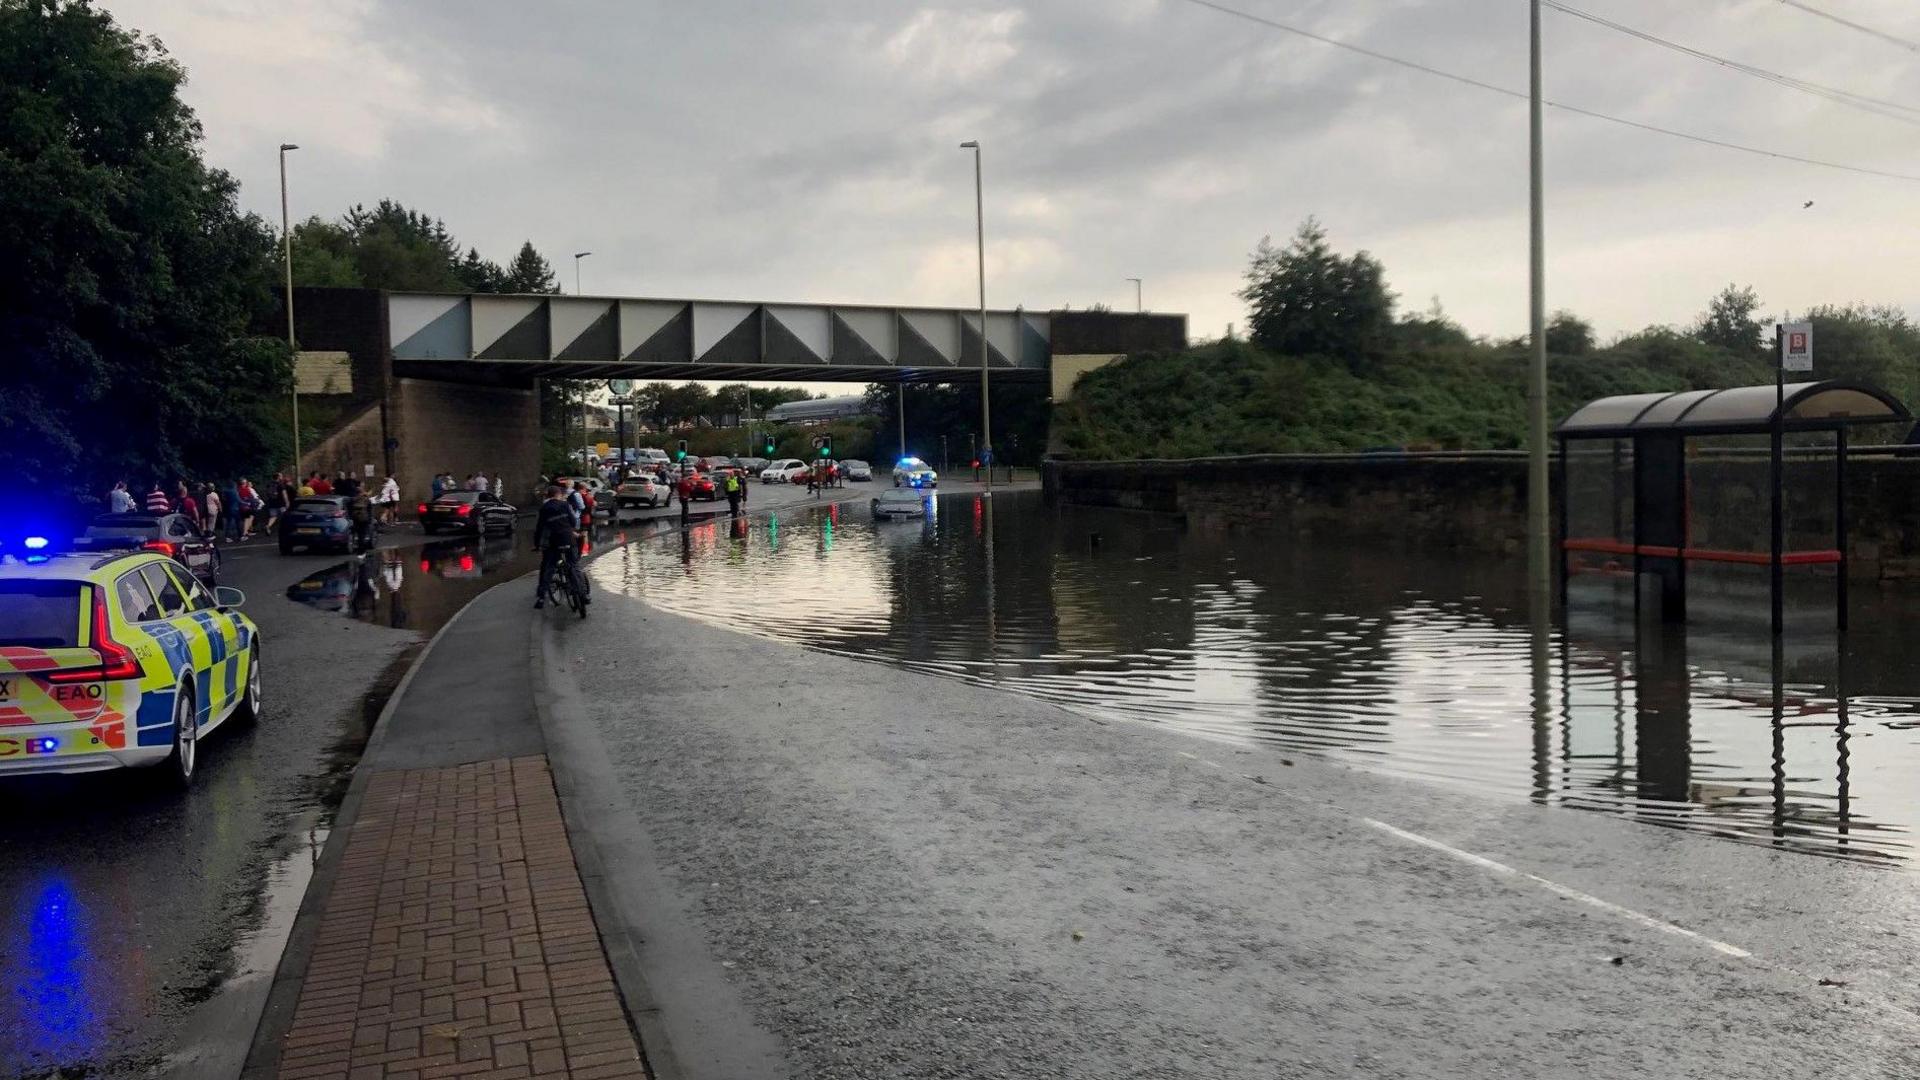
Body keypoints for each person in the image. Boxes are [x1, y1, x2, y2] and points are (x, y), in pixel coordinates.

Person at [533, 484, 582, 610]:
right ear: (558, 494)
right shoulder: (564, 505)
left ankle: (541, 596)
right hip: (568, 539)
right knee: (573, 565)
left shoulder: (544, 508)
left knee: (549, 567)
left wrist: (537, 544)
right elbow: (573, 521)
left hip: (553, 543)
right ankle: (582, 594)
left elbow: (539, 528)